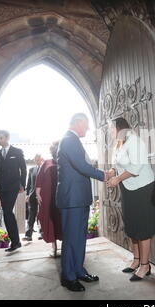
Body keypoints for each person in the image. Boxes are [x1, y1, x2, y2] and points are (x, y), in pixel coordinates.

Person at [56, 113, 109, 292]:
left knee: (79, 238)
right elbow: (80, 164)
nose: (87, 128)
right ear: (78, 123)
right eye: (86, 125)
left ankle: (79, 270)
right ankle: (68, 276)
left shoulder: (73, 140)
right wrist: (103, 175)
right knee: (71, 239)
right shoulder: (69, 140)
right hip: (72, 198)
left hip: (78, 197)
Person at [106, 117, 155, 281]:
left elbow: (135, 167)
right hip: (128, 189)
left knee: (143, 227)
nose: (110, 131)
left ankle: (145, 266)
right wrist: (111, 172)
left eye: (111, 128)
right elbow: (117, 164)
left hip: (142, 189)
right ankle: (136, 260)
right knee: (132, 225)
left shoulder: (135, 141)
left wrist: (117, 179)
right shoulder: (120, 142)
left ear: (119, 127)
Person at [0, 130, 27, 252]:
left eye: (1, 137)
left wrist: (22, 184)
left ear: (7, 138)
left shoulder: (17, 152)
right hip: (2, 188)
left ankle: (15, 241)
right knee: (7, 213)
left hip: (14, 186)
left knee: (8, 211)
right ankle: (15, 242)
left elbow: (23, 169)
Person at [36, 141, 62, 257]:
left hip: (62, 197)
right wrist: (37, 193)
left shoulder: (66, 162)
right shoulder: (46, 162)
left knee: (62, 221)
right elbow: (39, 180)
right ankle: (54, 247)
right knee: (50, 221)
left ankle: (65, 247)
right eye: (54, 149)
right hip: (48, 198)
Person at [23, 153, 44, 241]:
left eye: (38, 159)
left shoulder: (45, 169)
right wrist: (27, 195)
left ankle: (43, 233)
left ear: (42, 159)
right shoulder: (31, 170)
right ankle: (28, 235)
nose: (37, 160)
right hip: (32, 195)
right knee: (31, 215)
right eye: (35, 159)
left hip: (43, 195)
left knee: (42, 214)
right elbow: (28, 184)